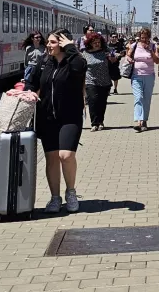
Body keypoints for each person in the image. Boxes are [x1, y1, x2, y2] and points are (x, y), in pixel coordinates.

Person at [29, 29, 85, 213]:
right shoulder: (44, 63)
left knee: (66, 156)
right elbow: (32, 83)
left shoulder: (73, 62)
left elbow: (80, 67)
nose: (48, 46)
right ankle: (55, 197)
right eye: (48, 42)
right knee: (51, 158)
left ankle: (71, 192)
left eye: (53, 43)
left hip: (70, 117)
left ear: (62, 44)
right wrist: (26, 92)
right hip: (47, 118)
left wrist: (70, 47)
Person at [126, 27, 159, 132]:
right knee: (138, 98)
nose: (143, 40)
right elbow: (128, 55)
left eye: (145, 38)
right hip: (136, 76)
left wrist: (150, 51)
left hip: (149, 76)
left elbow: (157, 61)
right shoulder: (134, 45)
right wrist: (129, 59)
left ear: (149, 37)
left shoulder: (154, 46)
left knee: (146, 99)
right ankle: (139, 121)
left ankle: (144, 120)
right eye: (141, 38)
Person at [82, 32, 114, 131]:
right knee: (93, 101)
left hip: (105, 81)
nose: (97, 44)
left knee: (102, 103)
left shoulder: (105, 51)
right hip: (90, 81)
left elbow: (114, 57)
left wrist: (114, 57)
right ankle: (94, 123)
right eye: (94, 42)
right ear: (90, 43)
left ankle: (100, 121)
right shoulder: (85, 53)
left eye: (98, 42)